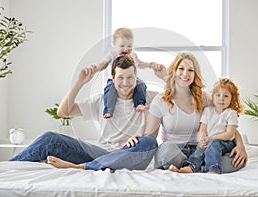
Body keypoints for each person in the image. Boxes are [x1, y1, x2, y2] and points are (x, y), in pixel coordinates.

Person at [10, 56, 165, 171]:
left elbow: (178, 97)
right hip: (102, 153)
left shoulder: (148, 98)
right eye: (121, 77)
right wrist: (80, 83)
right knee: (49, 138)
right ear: (112, 78)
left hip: (131, 155)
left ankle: (80, 167)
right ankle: (5, 169)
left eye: (130, 77)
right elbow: (63, 112)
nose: (126, 82)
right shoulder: (102, 100)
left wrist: (165, 77)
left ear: (136, 77)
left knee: (150, 143)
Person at [126, 52, 247, 173]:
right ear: (174, 71)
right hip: (175, 151)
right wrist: (139, 140)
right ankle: (200, 167)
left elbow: (226, 122)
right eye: (181, 68)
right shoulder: (161, 100)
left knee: (235, 161)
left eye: (190, 70)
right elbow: (150, 136)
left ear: (195, 74)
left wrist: (240, 145)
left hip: (201, 149)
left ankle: (193, 167)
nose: (185, 74)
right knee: (164, 153)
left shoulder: (204, 98)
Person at [168, 78, 244, 174]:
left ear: (232, 98)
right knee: (200, 147)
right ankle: (190, 167)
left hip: (225, 143)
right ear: (212, 96)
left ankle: (213, 169)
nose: (221, 98)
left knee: (214, 144)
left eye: (226, 96)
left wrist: (211, 138)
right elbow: (202, 129)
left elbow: (229, 134)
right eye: (218, 95)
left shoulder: (231, 113)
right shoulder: (208, 110)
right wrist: (202, 139)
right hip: (209, 140)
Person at [92, 27, 162, 119]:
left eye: (129, 46)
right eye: (122, 46)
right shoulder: (113, 53)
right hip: (115, 81)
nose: (126, 49)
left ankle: (139, 104)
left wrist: (150, 65)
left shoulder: (133, 55)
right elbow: (104, 64)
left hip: (131, 80)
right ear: (114, 44)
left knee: (141, 84)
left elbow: (139, 64)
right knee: (109, 89)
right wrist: (95, 68)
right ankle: (108, 109)